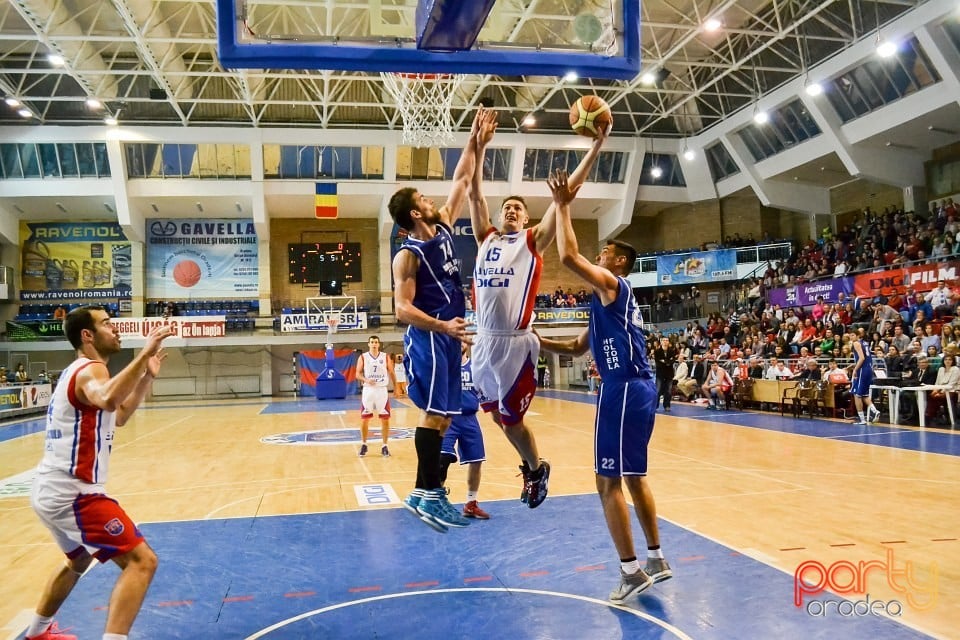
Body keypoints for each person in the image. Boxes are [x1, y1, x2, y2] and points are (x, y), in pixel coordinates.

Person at [536, 170, 670, 603]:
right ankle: (655, 558)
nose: (601, 253)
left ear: (618, 263)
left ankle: (630, 572)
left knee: (606, 482)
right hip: (637, 388)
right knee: (633, 475)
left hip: (624, 388)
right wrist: (534, 340)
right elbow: (576, 348)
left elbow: (571, 257)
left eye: (606, 250)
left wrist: (562, 204)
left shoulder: (614, 285)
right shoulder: (603, 306)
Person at [467, 115, 610, 509]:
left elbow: (566, 195)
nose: (511, 210)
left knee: (511, 421)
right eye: (507, 207)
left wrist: (595, 147)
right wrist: (479, 147)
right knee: (497, 417)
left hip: (514, 345)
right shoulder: (485, 239)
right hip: (482, 342)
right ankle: (532, 465)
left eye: (518, 207)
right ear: (498, 218)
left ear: (526, 218)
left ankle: (535, 468)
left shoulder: (532, 240)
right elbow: (475, 197)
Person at [26, 306, 174, 640]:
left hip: (51, 490)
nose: (116, 329)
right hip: (73, 494)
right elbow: (108, 399)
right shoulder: (91, 369)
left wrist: (145, 377)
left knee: (77, 563)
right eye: (107, 324)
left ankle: (37, 633)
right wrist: (145, 353)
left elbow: (118, 414)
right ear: (87, 336)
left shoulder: (78, 372)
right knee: (142, 562)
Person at [389, 107, 493, 533]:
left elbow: (463, 179)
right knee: (433, 417)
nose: (432, 201)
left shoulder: (446, 227)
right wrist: (444, 326)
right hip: (430, 338)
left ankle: (421, 493)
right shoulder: (408, 254)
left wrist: (476, 141)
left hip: (450, 336)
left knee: (445, 417)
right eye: (423, 201)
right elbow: (401, 310)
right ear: (415, 214)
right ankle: (430, 494)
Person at [439, 343, 490, 520]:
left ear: (467, 344)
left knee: (476, 461)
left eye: (461, 340)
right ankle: (436, 501)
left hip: (470, 419)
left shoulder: (476, 367)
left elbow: (483, 392)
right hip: (449, 419)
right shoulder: (444, 366)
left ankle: (471, 503)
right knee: (442, 458)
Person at [356, 335, 396, 457]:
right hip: (368, 390)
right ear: (368, 344)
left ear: (379, 344)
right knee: (364, 418)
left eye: (376, 342)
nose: (374, 344)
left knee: (385, 419)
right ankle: (364, 444)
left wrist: (396, 387)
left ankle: (385, 446)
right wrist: (366, 380)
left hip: (382, 390)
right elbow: (357, 374)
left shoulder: (385, 357)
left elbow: (391, 372)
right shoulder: (363, 357)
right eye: (372, 342)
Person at [851, 332, 881, 425]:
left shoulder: (856, 343)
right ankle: (875, 411)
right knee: (864, 394)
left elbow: (862, 358)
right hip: (868, 369)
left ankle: (862, 419)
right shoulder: (865, 343)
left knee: (856, 394)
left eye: (853, 335)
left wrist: (855, 369)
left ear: (858, 335)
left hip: (862, 370)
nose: (851, 337)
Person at [653, 337, 678, 412]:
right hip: (660, 374)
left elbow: (672, 361)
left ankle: (667, 405)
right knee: (658, 390)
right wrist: (667, 362)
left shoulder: (672, 351)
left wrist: (665, 361)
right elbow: (658, 363)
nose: (665, 342)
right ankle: (655, 406)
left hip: (669, 374)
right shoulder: (657, 351)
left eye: (667, 340)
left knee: (668, 391)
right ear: (661, 342)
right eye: (663, 340)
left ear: (669, 342)